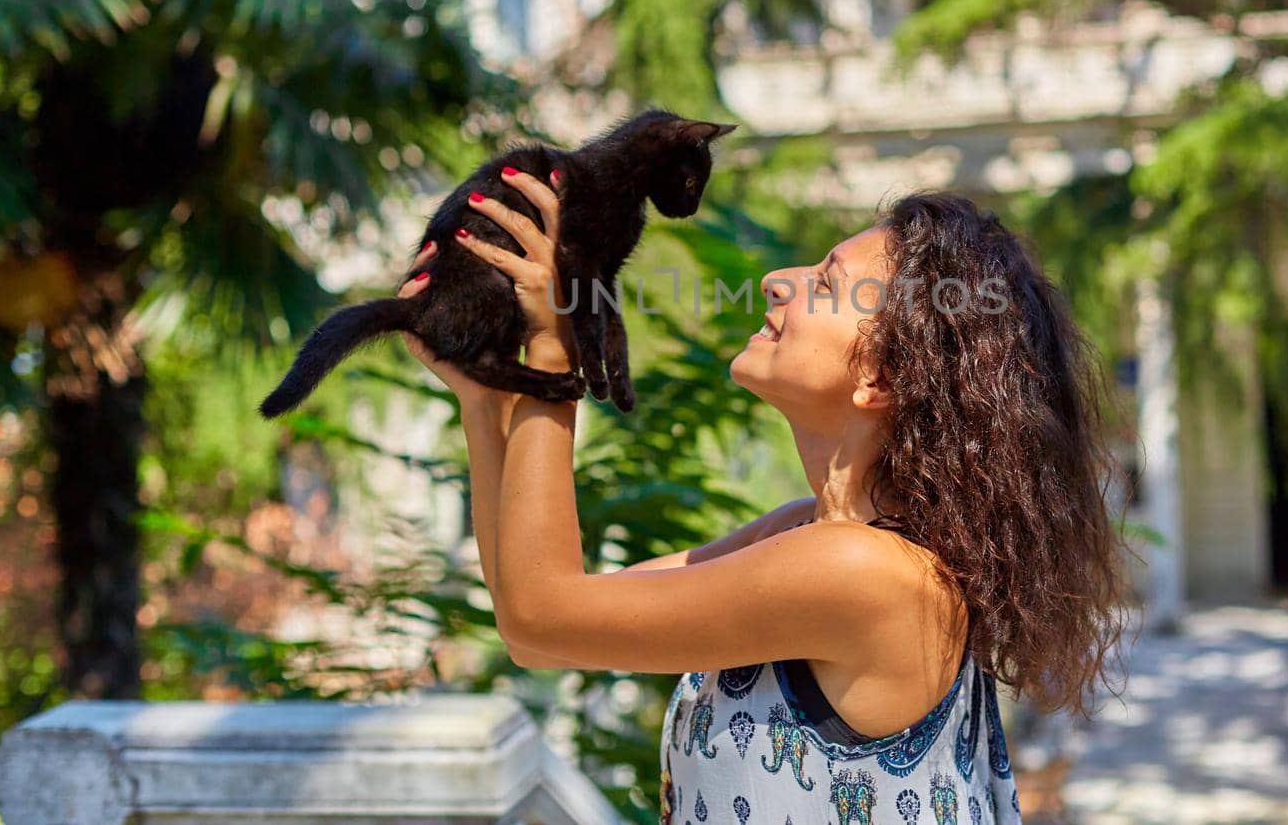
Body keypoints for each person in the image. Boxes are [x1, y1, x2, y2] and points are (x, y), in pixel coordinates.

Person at [397, 170, 1129, 824]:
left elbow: (541, 617)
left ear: (880, 378)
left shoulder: (867, 574)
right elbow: (543, 619)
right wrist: (484, 393)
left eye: (825, 282)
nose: (781, 278)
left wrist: (555, 349)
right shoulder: (809, 536)